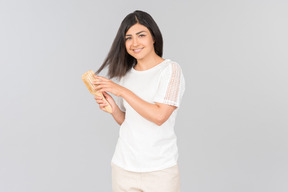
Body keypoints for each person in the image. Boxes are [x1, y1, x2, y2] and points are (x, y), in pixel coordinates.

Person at [93, 10, 185, 192]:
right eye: (128, 38)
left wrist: (122, 91)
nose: (134, 43)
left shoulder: (170, 70)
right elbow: (127, 121)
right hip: (123, 168)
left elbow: (160, 116)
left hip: (160, 170)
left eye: (141, 35)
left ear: (154, 38)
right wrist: (113, 108)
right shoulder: (126, 75)